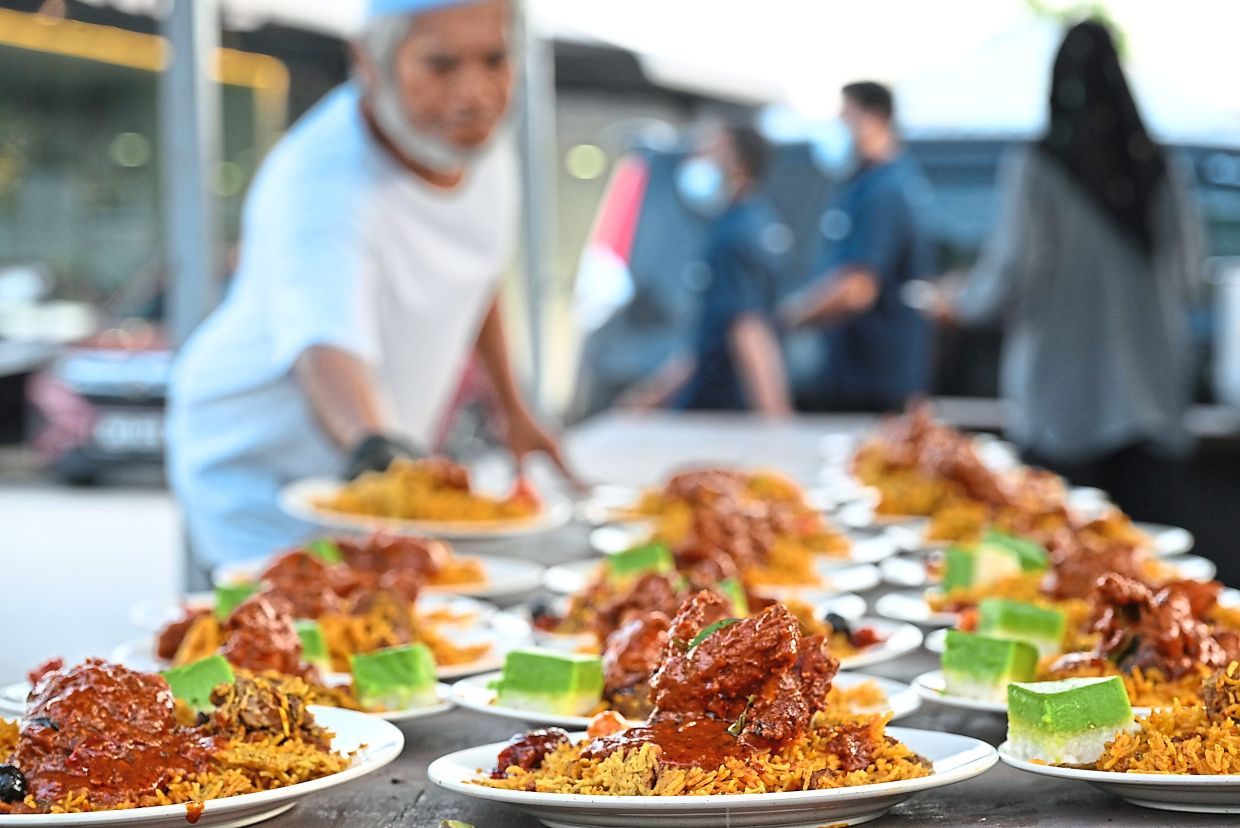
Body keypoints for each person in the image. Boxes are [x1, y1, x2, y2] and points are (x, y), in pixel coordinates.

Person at [167, 0, 571, 570]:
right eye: (441, 65)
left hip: (381, 463)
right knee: (290, 642)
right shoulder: (323, 179)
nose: (476, 93)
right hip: (259, 467)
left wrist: (514, 411)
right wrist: (385, 456)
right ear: (369, 62)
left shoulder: (481, 151)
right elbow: (327, 349)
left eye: (495, 59)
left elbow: (478, 276)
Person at [930, 20, 1203, 521]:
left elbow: (1013, 273)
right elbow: (1191, 276)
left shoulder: (1037, 166)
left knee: (1062, 565)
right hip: (1153, 402)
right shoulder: (1160, 166)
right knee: (1154, 565)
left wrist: (957, 302)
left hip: (1063, 404)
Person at [781, 81, 934, 412]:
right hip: (852, 380)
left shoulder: (885, 190)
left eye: (845, 117)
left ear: (874, 119)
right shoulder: (860, 186)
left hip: (874, 388)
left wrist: (788, 318)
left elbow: (857, 288)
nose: (839, 128)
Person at [619, 124, 792, 414]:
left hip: (723, 412)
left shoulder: (737, 234)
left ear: (739, 166)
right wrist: (653, 394)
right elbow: (711, 337)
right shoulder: (750, 221)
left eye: (711, 151)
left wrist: (776, 417)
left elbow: (749, 329)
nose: (697, 159)